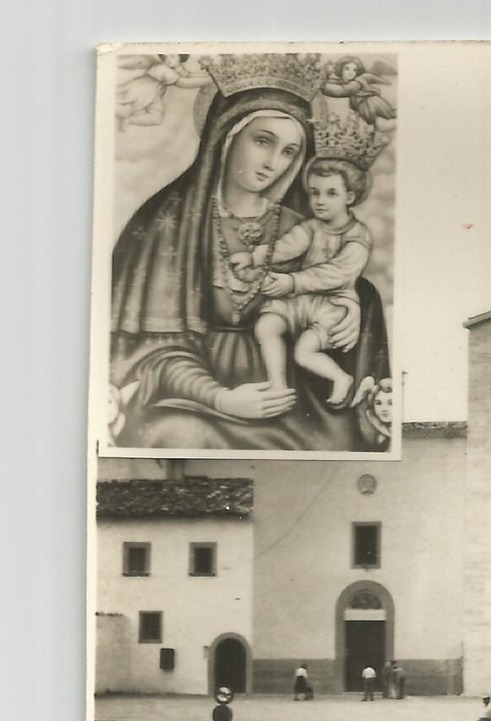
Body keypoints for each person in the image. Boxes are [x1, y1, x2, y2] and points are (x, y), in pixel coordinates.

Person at [109, 53, 392, 451]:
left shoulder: (299, 227)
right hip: (197, 398)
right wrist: (221, 397)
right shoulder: (167, 224)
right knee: (171, 434)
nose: (273, 164)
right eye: (263, 141)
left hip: (292, 399)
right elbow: (154, 351)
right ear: (226, 137)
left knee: (337, 443)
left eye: (290, 152)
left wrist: (354, 306)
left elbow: (334, 282)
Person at [230, 153, 378, 409]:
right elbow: (286, 247)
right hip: (301, 300)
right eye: (314, 192)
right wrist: (254, 256)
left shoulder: (358, 235)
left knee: (304, 352)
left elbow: (337, 272)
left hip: (334, 304)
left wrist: (292, 282)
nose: (319, 201)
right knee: (266, 326)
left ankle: (340, 377)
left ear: (350, 198)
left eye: (331, 193)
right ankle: (278, 385)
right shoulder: (311, 227)